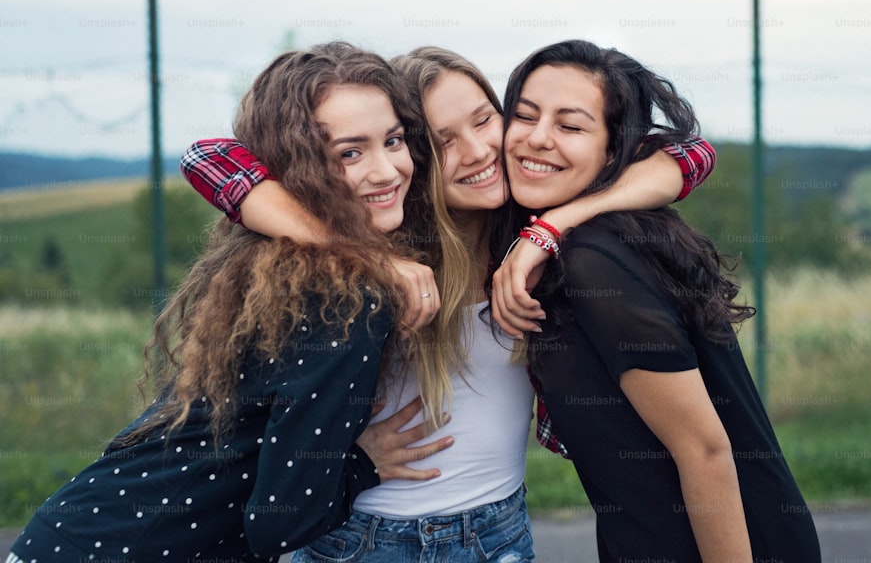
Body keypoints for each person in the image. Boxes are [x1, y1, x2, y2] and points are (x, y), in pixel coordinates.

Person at [178, 45, 717, 562]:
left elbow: (692, 154)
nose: (479, 151)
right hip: (364, 541)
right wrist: (360, 255)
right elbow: (207, 158)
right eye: (443, 141)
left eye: (484, 121)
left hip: (499, 535)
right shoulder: (382, 243)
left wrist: (553, 226)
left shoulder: (527, 230)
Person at [6, 42, 446, 563]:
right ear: (295, 167)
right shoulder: (349, 301)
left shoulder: (285, 265)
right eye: (349, 153)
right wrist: (364, 463)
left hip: (68, 536)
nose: (386, 170)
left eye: (392, 140)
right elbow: (281, 523)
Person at [498, 40, 821, 563]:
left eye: (571, 126)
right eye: (524, 115)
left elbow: (705, 450)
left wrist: (557, 225)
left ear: (614, 150)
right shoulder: (574, 240)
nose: (538, 139)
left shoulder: (594, 257)